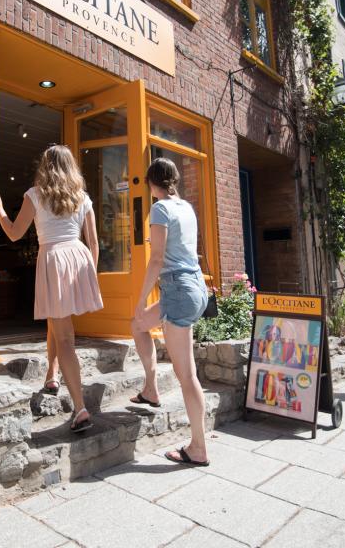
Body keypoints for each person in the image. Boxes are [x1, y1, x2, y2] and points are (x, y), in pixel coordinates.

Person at [0, 145, 103, 433]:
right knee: (58, 321)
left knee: (65, 338)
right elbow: (94, 243)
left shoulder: (34, 194)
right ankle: (52, 374)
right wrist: (90, 272)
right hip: (78, 257)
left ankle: (80, 409)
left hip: (53, 259)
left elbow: (14, 233)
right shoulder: (82, 197)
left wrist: (0, 210)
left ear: (45, 166)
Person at [131, 158, 211, 466]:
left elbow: (157, 258)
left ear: (152, 183)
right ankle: (151, 389)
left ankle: (199, 448)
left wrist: (141, 298)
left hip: (177, 290)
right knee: (137, 325)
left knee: (187, 375)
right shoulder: (186, 208)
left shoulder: (160, 208)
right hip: (192, 286)